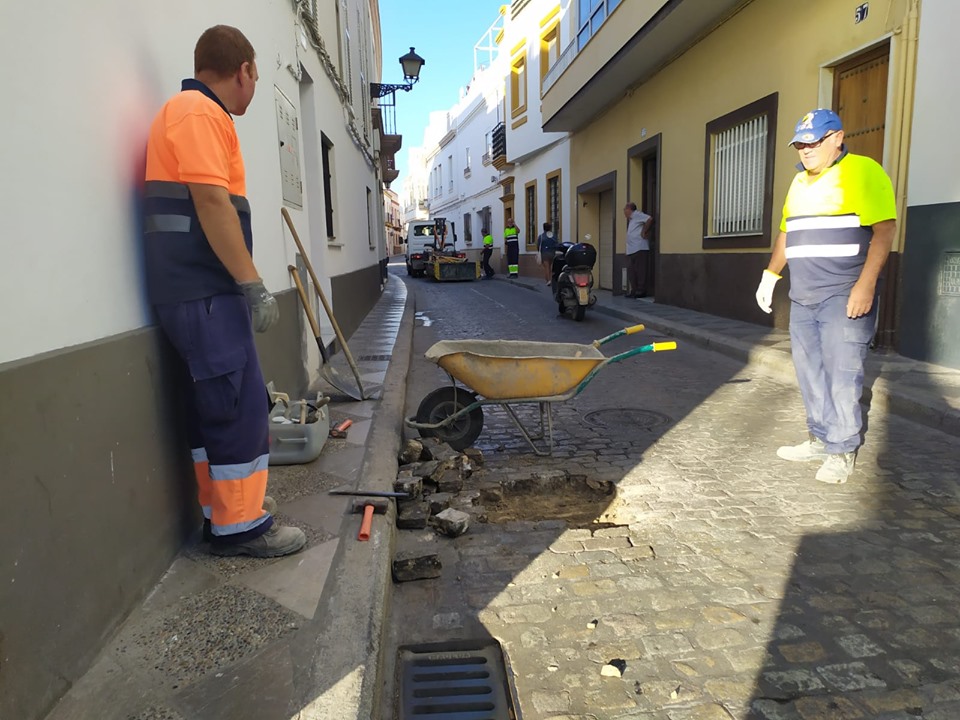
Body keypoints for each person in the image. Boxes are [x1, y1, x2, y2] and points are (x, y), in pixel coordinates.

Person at [143, 25, 307, 556]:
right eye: (255, 77)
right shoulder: (199, 113)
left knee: (214, 405)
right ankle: (243, 526)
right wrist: (252, 284)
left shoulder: (189, 113)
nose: (253, 88)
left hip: (194, 290)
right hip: (206, 291)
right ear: (245, 70)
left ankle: (225, 511)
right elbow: (212, 203)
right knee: (238, 405)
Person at [755, 108, 896, 484]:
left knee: (842, 374)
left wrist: (865, 286)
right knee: (810, 373)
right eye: (800, 145)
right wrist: (770, 276)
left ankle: (842, 449)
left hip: (843, 293)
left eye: (814, 142)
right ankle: (819, 438)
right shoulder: (798, 183)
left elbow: (884, 231)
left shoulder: (864, 172)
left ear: (837, 138)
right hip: (803, 296)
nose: (806, 150)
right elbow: (787, 233)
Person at [623, 203, 653, 298]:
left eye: (625, 209)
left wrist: (644, 231)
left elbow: (649, 219)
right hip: (632, 249)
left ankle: (641, 290)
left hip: (640, 247)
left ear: (629, 209)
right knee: (632, 271)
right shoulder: (631, 219)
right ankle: (634, 290)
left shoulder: (637, 214)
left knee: (640, 270)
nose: (624, 212)